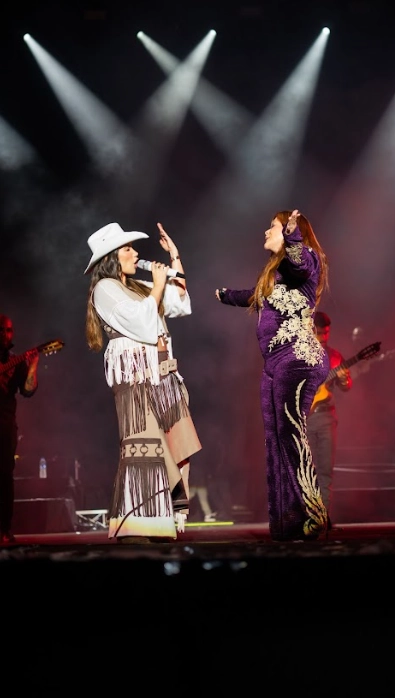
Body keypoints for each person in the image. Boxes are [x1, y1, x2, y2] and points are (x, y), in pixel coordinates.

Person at [215, 209, 330, 541]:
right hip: (274, 364)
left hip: (298, 358)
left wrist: (293, 235)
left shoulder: (304, 257)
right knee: (277, 441)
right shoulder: (276, 273)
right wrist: (225, 295)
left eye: (273, 227)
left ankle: (313, 514)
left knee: (291, 435)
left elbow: (300, 264)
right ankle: (288, 521)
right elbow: (255, 296)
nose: (266, 232)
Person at [85, 220, 202, 543]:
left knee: (176, 448)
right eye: (128, 248)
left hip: (163, 377)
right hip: (137, 380)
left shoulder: (136, 285)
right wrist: (158, 285)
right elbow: (141, 322)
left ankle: (161, 522)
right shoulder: (105, 289)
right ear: (112, 257)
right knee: (146, 449)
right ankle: (137, 526)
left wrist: (174, 258)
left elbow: (178, 303)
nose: (136, 254)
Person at [306, 311, 352, 523]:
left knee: (325, 471)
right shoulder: (299, 355)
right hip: (305, 419)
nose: (323, 337)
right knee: (306, 471)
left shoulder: (335, 357)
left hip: (326, 417)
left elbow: (346, 387)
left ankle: (322, 519)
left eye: (326, 333)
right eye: (319, 333)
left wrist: (343, 379)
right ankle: (306, 517)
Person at [0, 314, 39, 544]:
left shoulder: (16, 362)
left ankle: (4, 528)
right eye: (1, 330)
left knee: (5, 477)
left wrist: (33, 365)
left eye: (8, 330)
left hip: (4, 427)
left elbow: (28, 391)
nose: (5, 335)